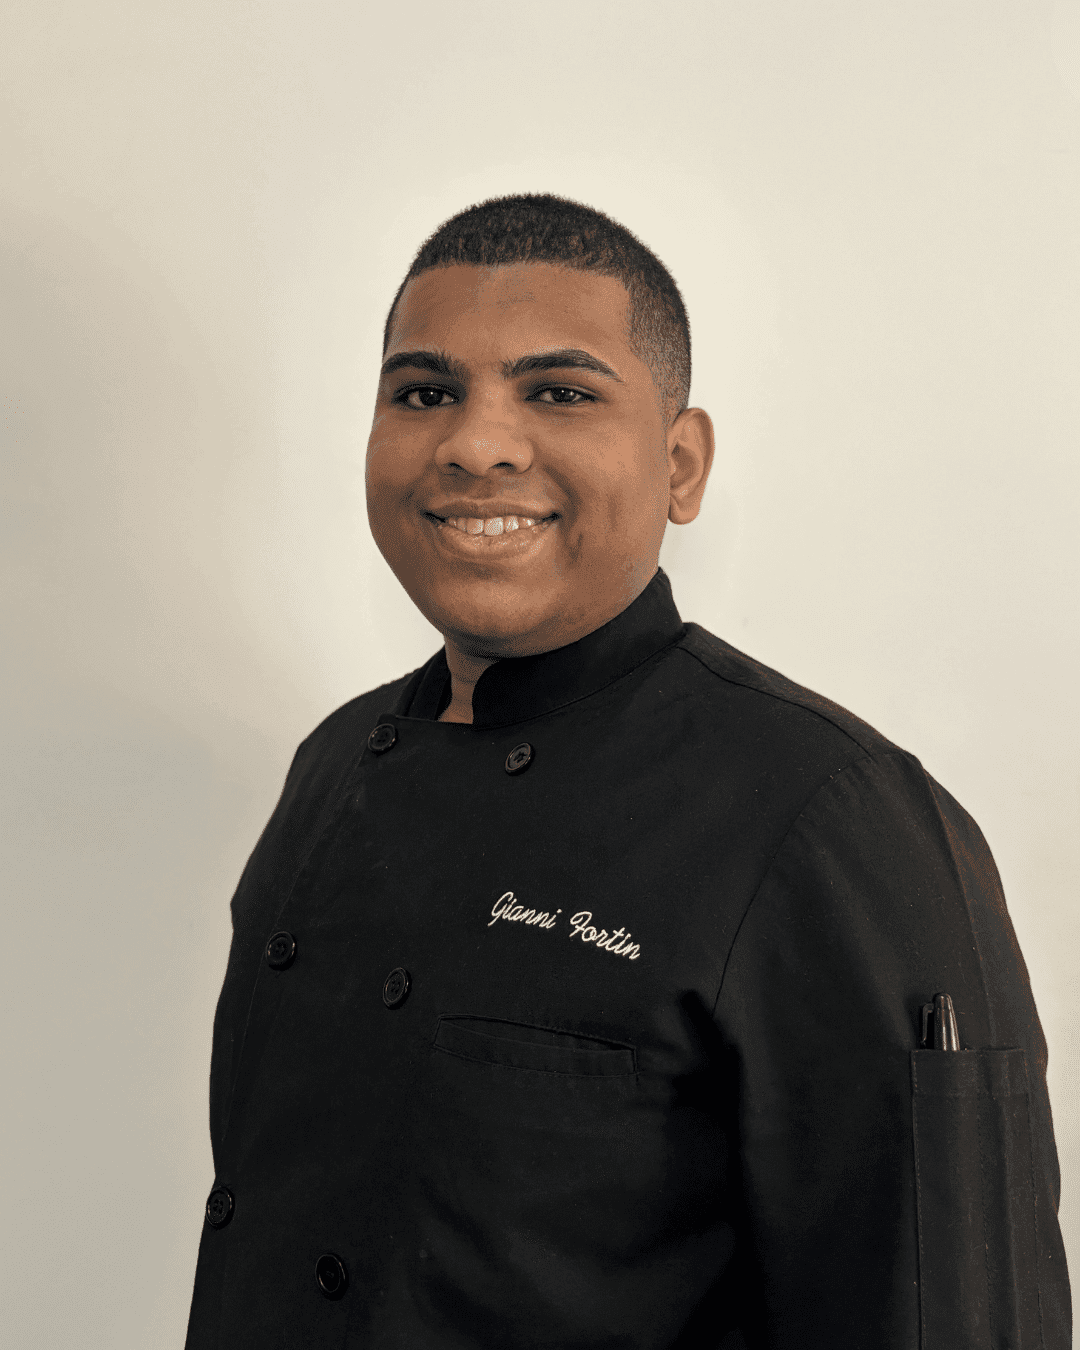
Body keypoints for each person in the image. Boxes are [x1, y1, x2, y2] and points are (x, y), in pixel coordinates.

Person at [184, 194, 1070, 1349]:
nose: (476, 444)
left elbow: (950, 1310)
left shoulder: (832, 815)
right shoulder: (334, 763)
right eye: (424, 393)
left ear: (680, 465)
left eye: (560, 392)